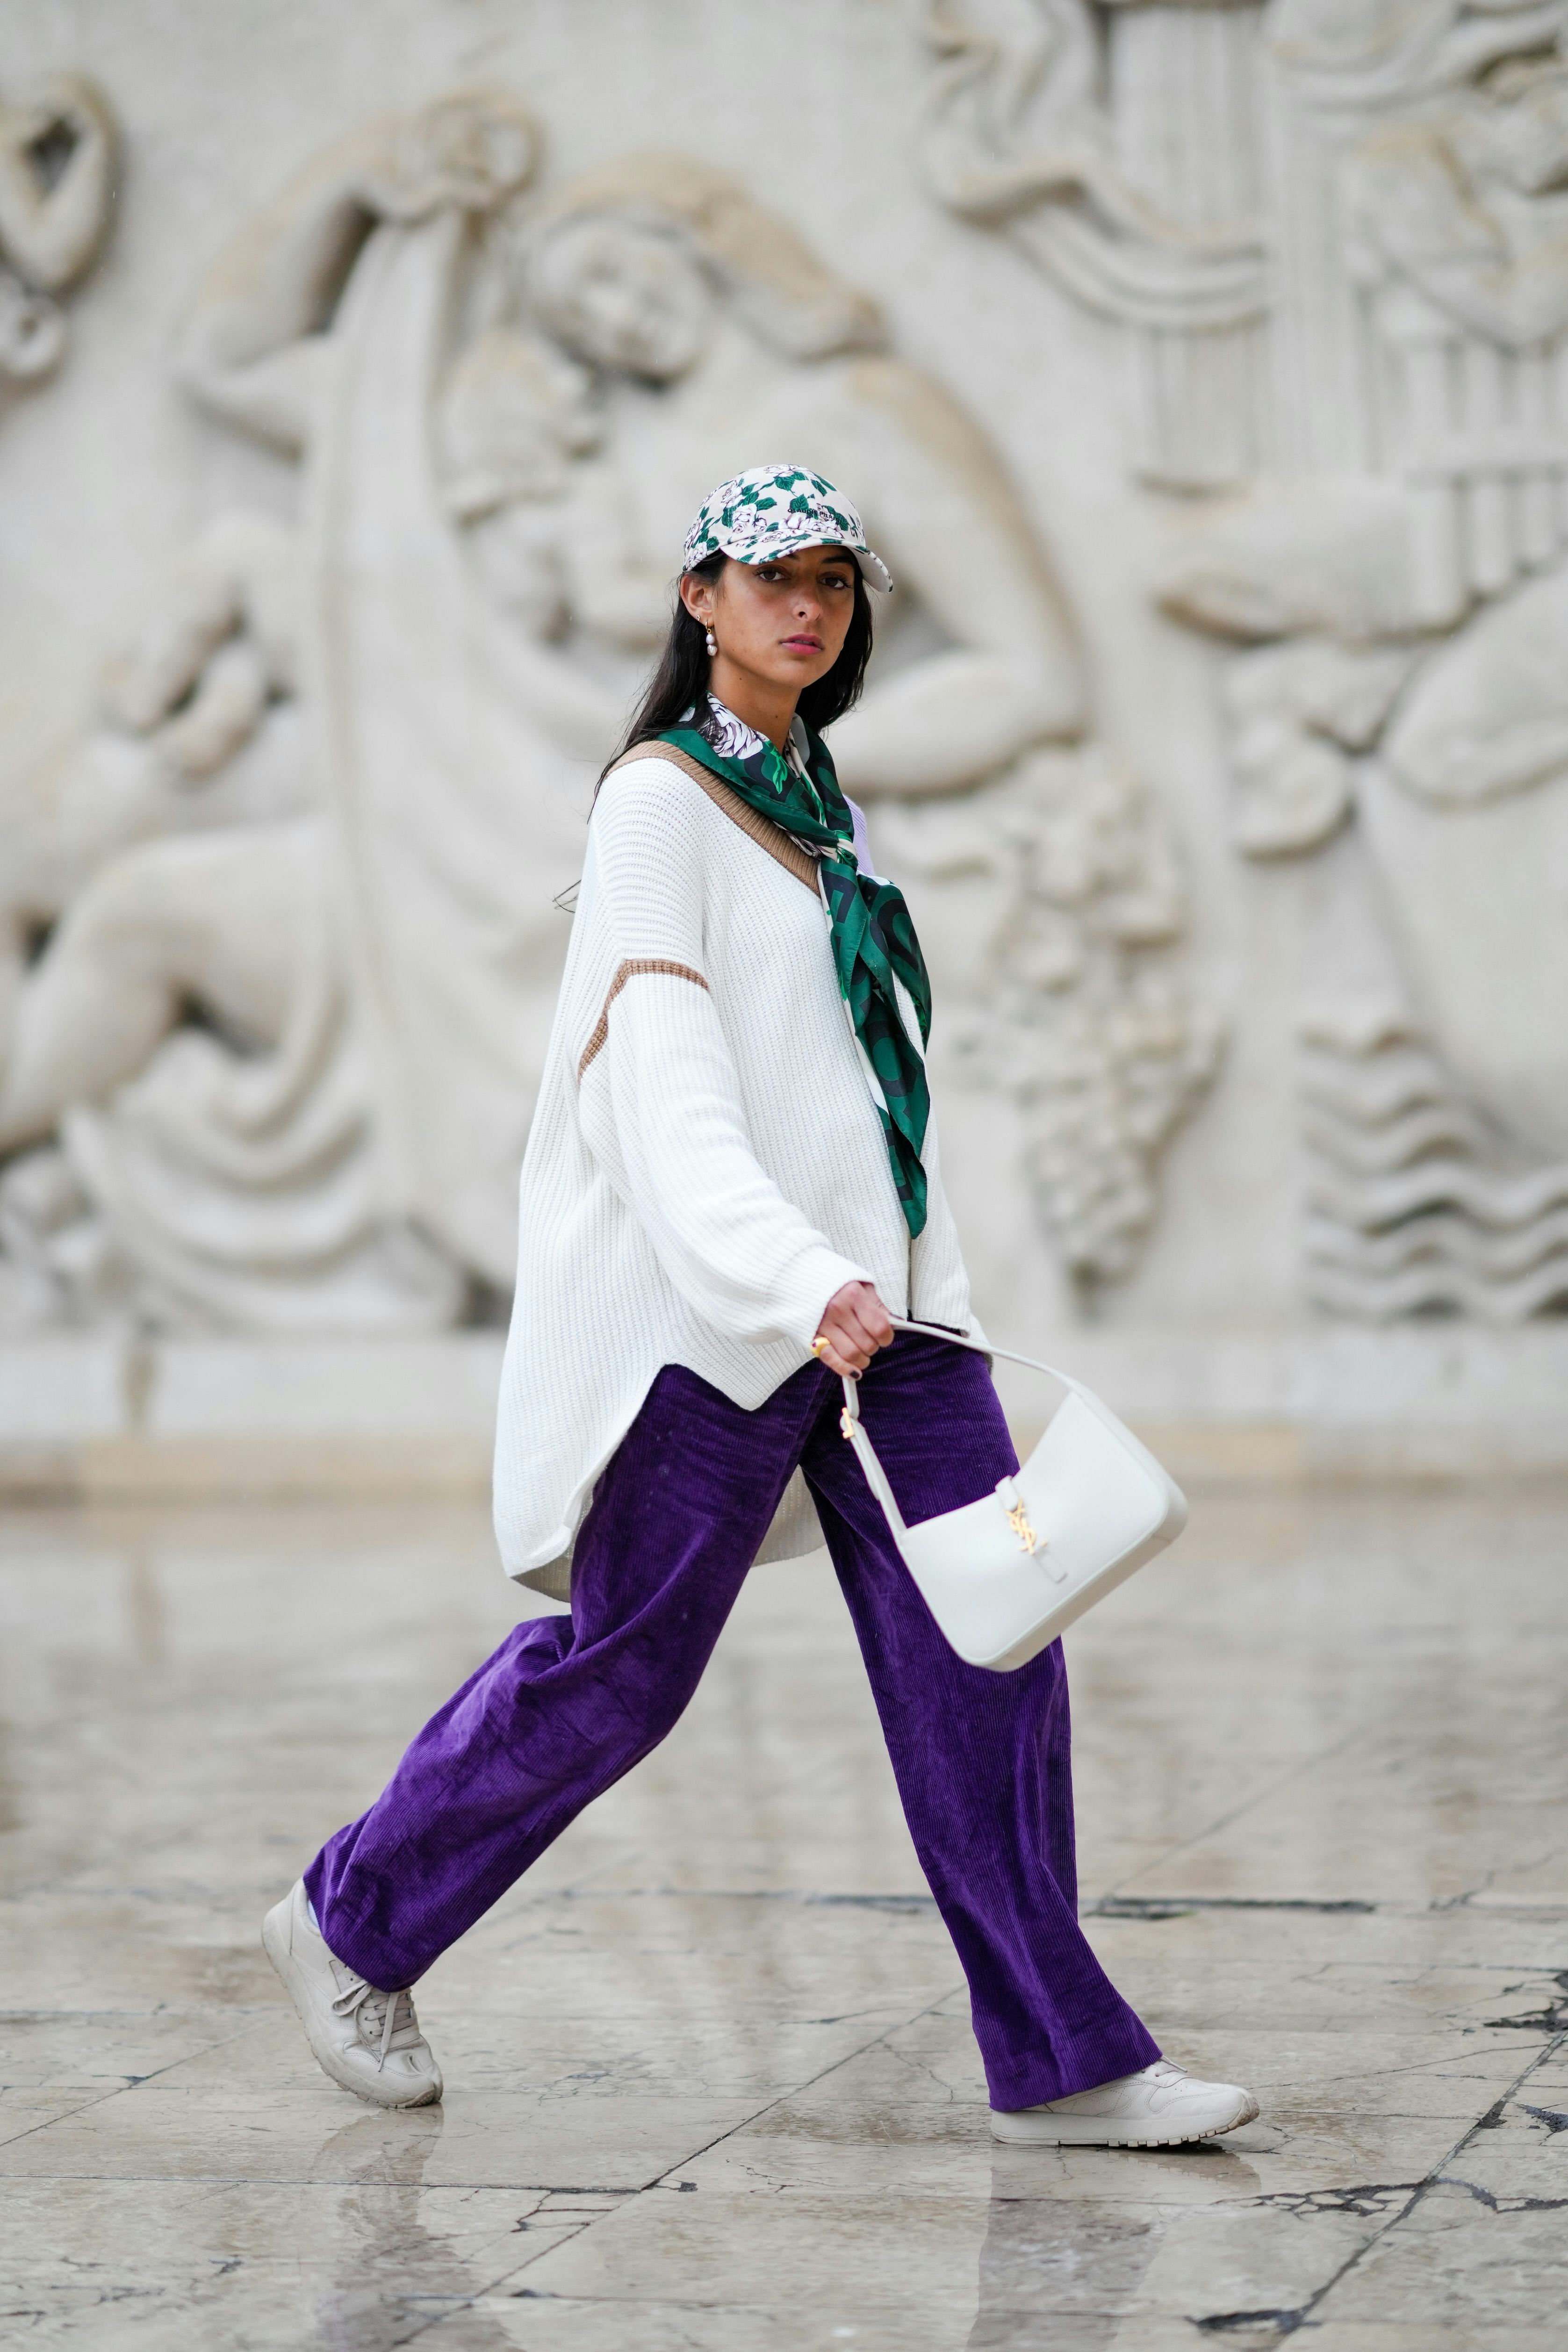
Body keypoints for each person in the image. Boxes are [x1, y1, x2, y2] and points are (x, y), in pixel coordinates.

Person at [263, 465, 1259, 2150]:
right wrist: (797, 1278)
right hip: (720, 1319)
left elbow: (876, 1086)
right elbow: (665, 1089)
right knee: (623, 1676)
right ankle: (352, 1921)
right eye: (766, 575)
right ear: (698, 599)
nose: (805, 604)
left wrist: (920, 1283)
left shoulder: (819, 805)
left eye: (834, 582)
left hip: (889, 1324)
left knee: (991, 1644)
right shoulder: (658, 804)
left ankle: (1063, 2061)